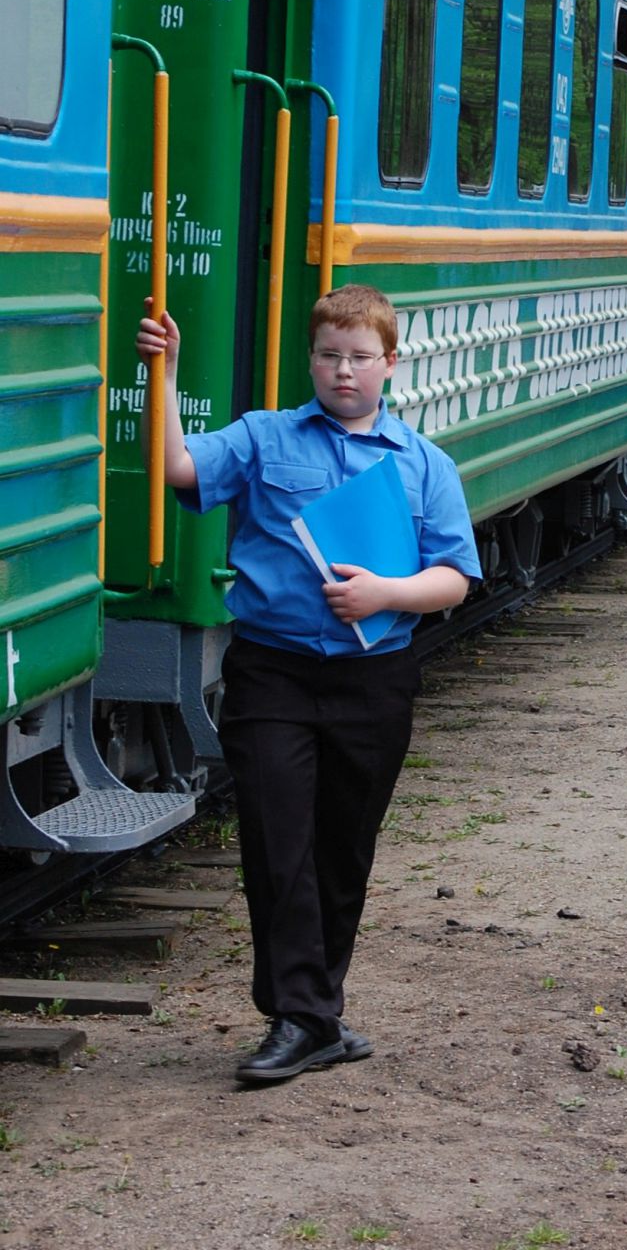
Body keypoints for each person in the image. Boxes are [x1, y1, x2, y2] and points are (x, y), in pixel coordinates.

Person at [135, 283, 482, 1084]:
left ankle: (316, 1016)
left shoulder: (423, 466)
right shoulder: (264, 439)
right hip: (274, 673)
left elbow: (457, 578)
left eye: (361, 358)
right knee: (276, 841)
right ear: (312, 360)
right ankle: (298, 1017)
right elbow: (178, 465)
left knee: (340, 848)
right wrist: (168, 374)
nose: (344, 372)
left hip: (374, 680)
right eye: (329, 356)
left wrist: (385, 595)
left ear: (390, 363)